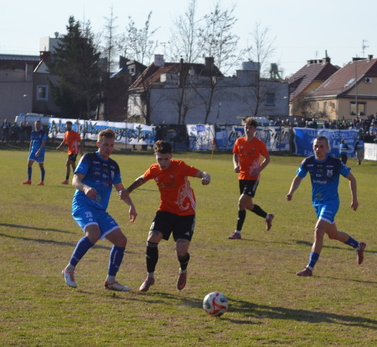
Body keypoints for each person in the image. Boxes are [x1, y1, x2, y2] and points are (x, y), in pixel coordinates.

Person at [120, 140, 211, 292]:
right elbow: (141, 179)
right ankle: (150, 277)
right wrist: (128, 191)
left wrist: (206, 177)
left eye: (166, 159)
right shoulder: (154, 169)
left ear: (171, 156)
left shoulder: (180, 166)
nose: (162, 163)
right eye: (159, 159)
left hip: (185, 213)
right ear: (155, 157)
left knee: (181, 251)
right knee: (152, 239)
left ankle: (183, 270)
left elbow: (202, 173)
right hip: (165, 211)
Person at [62, 128, 137, 292]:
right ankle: (69, 269)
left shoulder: (113, 166)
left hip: (100, 210)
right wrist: (85, 188)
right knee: (93, 234)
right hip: (83, 204)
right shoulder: (88, 158)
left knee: (121, 240)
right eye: (105, 145)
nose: (108, 148)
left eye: (111, 145)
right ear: (98, 144)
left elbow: (120, 189)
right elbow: (75, 180)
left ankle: (111, 281)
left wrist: (131, 205)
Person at [286, 135, 366, 276]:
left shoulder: (335, 163)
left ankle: (309, 268)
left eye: (321, 146)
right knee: (333, 235)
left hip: (331, 202)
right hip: (317, 203)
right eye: (316, 146)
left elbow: (352, 179)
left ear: (327, 148)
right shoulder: (308, 162)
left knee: (319, 230)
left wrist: (354, 199)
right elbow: (298, 178)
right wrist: (291, 192)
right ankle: (358, 246)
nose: (318, 149)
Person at [228, 117, 275, 239]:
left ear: (255, 130)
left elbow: (267, 159)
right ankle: (267, 216)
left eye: (250, 128)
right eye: (246, 127)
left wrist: (259, 169)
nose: (247, 130)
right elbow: (235, 155)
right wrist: (235, 165)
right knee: (248, 205)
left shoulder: (259, 144)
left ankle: (237, 232)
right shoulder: (239, 141)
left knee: (241, 202)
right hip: (242, 176)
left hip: (253, 178)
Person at [56, 121, 82, 185]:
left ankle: (67, 180)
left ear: (71, 126)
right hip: (70, 151)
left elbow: (80, 142)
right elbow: (64, 142)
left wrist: (81, 150)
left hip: (74, 151)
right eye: (67, 125)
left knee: (67, 164)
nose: (68, 126)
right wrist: (59, 147)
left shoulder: (75, 133)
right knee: (73, 166)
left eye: (69, 125)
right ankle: (79, 179)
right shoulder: (66, 133)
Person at [24, 119, 47, 185]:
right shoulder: (33, 132)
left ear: (40, 125)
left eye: (38, 124)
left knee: (41, 166)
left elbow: (43, 143)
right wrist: (29, 150)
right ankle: (29, 180)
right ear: (34, 125)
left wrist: (39, 151)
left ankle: (42, 181)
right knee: (29, 164)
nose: (37, 125)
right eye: (36, 124)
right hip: (33, 150)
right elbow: (31, 141)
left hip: (40, 151)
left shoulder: (43, 133)